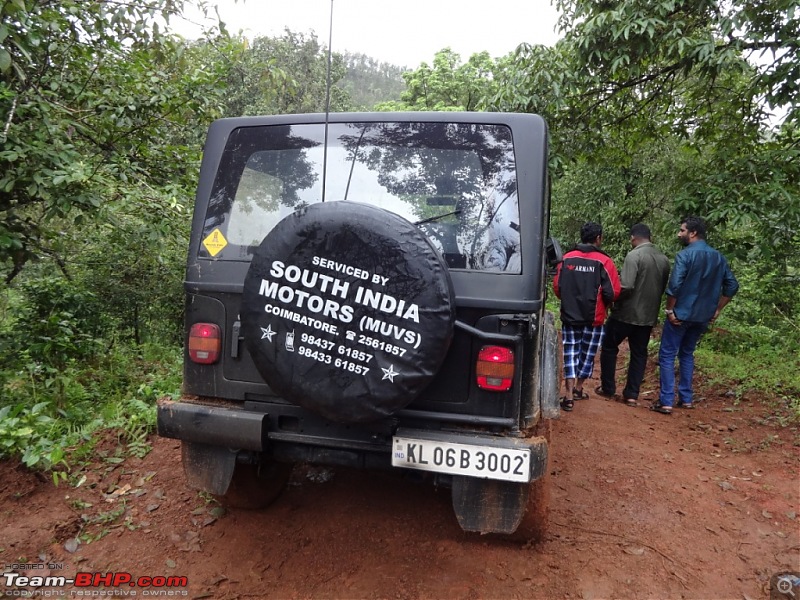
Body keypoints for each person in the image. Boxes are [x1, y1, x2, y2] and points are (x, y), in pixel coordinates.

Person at [652, 216, 739, 414]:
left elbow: (674, 286)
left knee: (667, 355)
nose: (679, 233)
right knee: (687, 354)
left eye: (682, 230)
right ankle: (686, 399)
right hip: (702, 316)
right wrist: (717, 309)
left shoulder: (685, 255)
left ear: (693, 233)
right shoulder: (718, 257)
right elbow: (732, 285)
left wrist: (669, 310)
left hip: (681, 314)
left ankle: (666, 400)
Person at [596, 223, 670, 406]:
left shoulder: (634, 255)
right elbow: (661, 287)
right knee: (639, 353)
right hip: (647, 316)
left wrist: (613, 300)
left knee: (609, 345)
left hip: (625, 313)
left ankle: (608, 387)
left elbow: (627, 286)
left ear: (633, 238)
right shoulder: (663, 259)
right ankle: (631, 394)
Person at [553, 222, 621, 412]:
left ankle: (567, 396)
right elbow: (613, 292)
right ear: (598, 238)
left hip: (570, 317)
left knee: (570, 354)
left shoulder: (566, 259)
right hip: (595, 319)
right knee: (587, 355)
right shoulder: (604, 261)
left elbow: (558, 287)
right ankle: (578, 388)